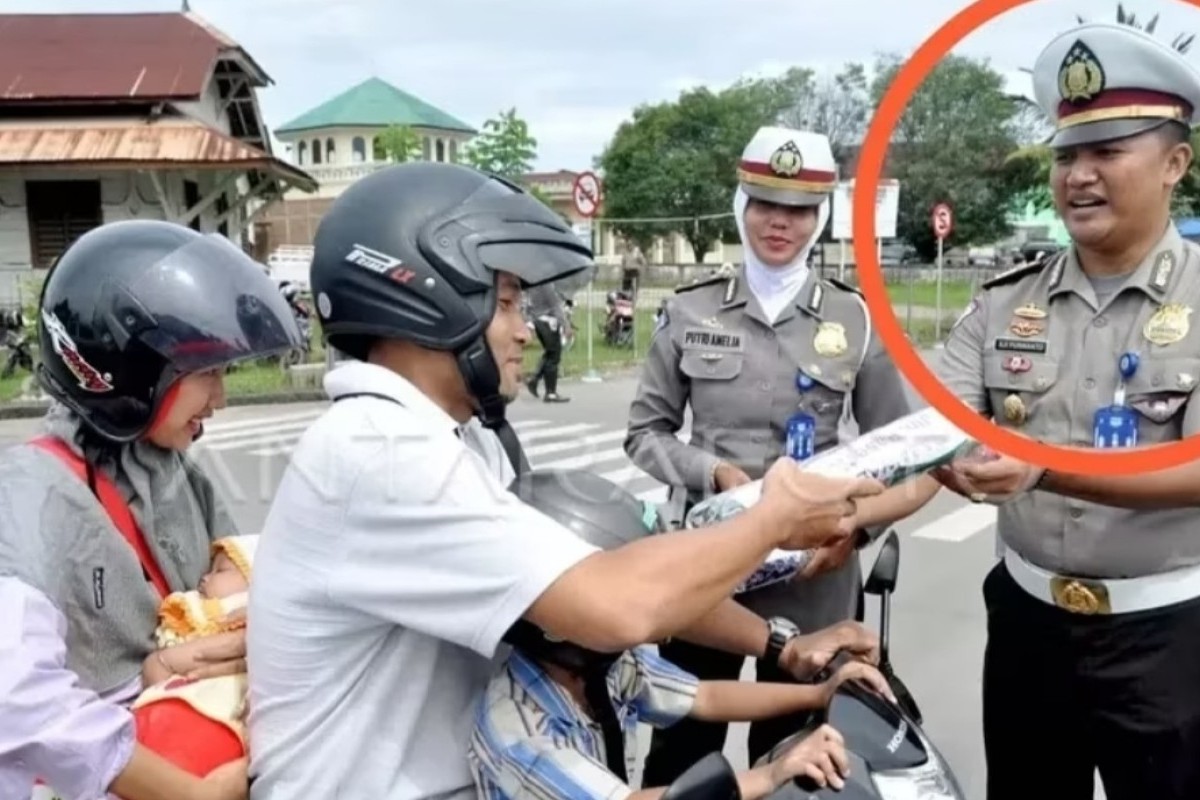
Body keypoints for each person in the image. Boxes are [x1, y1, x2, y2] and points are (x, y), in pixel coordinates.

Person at [244, 161, 885, 800]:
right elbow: (615, 605)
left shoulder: (456, 439)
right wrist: (772, 520)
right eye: (503, 303)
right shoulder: (381, 453)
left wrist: (784, 647)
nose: (525, 329)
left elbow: (606, 572)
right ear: (427, 299)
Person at [624, 125, 942, 782]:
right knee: (683, 755)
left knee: (801, 763)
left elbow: (904, 454)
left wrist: (854, 531)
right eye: (766, 203)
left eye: (798, 209)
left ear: (820, 216)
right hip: (705, 579)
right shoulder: (690, 310)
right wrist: (709, 471)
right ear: (742, 205)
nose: (780, 222)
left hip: (815, 587)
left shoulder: (857, 320)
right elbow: (645, 432)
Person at [933, 20, 1200, 800]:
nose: (1079, 176)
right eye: (1066, 156)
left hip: (1170, 637)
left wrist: (1045, 469)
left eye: (1107, 152)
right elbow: (936, 424)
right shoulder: (1004, 299)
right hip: (1028, 625)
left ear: (1174, 163)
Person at [0, 220, 302, 800]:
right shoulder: (30, 492)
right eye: (206, 373)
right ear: (129, 371)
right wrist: (192, 793)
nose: (221, 397)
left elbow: (236, 601)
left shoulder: (176, 475)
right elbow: (16, 693)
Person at [469, 468, 897, 800]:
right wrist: (769, 775)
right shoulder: (518, 727)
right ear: (555, 618)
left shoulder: (606, 666)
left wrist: (820, 696)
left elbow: (704, 697)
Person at [134, 535, 259, 781]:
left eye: (220, 570)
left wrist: (166, 661)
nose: (205, 578)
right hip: (162, 729)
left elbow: (180, 660)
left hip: (216, 730)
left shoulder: (245, 619)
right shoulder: (196, 620)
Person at [523, 281, 571, 402]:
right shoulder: (546, 283)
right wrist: (565, 324)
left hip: (537, 320)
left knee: (549, 352)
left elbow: (527, 303)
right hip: (548, 321)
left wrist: (529, 320)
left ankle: (534, 379)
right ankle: (550, 392)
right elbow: (555, 305)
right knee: (554, 355)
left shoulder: (532, 282)